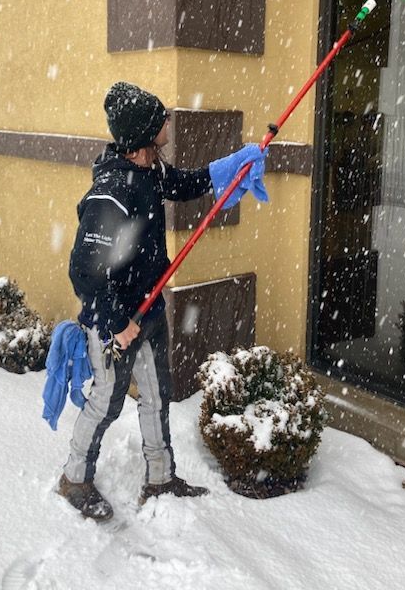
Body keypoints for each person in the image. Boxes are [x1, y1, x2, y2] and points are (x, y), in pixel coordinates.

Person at [58, 81, 267, 521]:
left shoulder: (150, 170)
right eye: (161, 120)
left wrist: (233, 166)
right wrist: (117, 321)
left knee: (156, 396)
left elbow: (187, 183)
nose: (168, 123)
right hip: (117, 320)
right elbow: (84, 272)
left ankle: (160, 478)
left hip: (149, 311)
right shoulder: (112, 190)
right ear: (143, 134)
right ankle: (74, 478)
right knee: (106, 402)